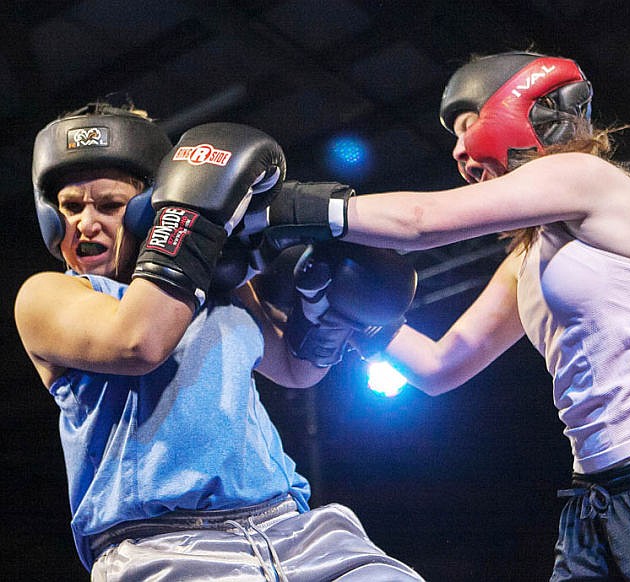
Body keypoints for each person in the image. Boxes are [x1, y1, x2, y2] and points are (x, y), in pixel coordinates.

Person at [263, 52, 630, 580]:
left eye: (466, 124)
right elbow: (442, 365)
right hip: (594, 499)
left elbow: (421, 222)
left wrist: (278, 206)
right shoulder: (527, 257)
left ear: (520, 108)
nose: (457, 149)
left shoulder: (590, 178)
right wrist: (353, 316)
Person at [14, 102, 425, 581]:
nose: (86, 223)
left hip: (296, 528)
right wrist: (193, 218)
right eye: (70, 207)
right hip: (162, 547)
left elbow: (295, 370)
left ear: (150, 208)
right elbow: (139, 341)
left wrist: (327, 316)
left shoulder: (218, 286)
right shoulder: (48, 294)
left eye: (109, 205)